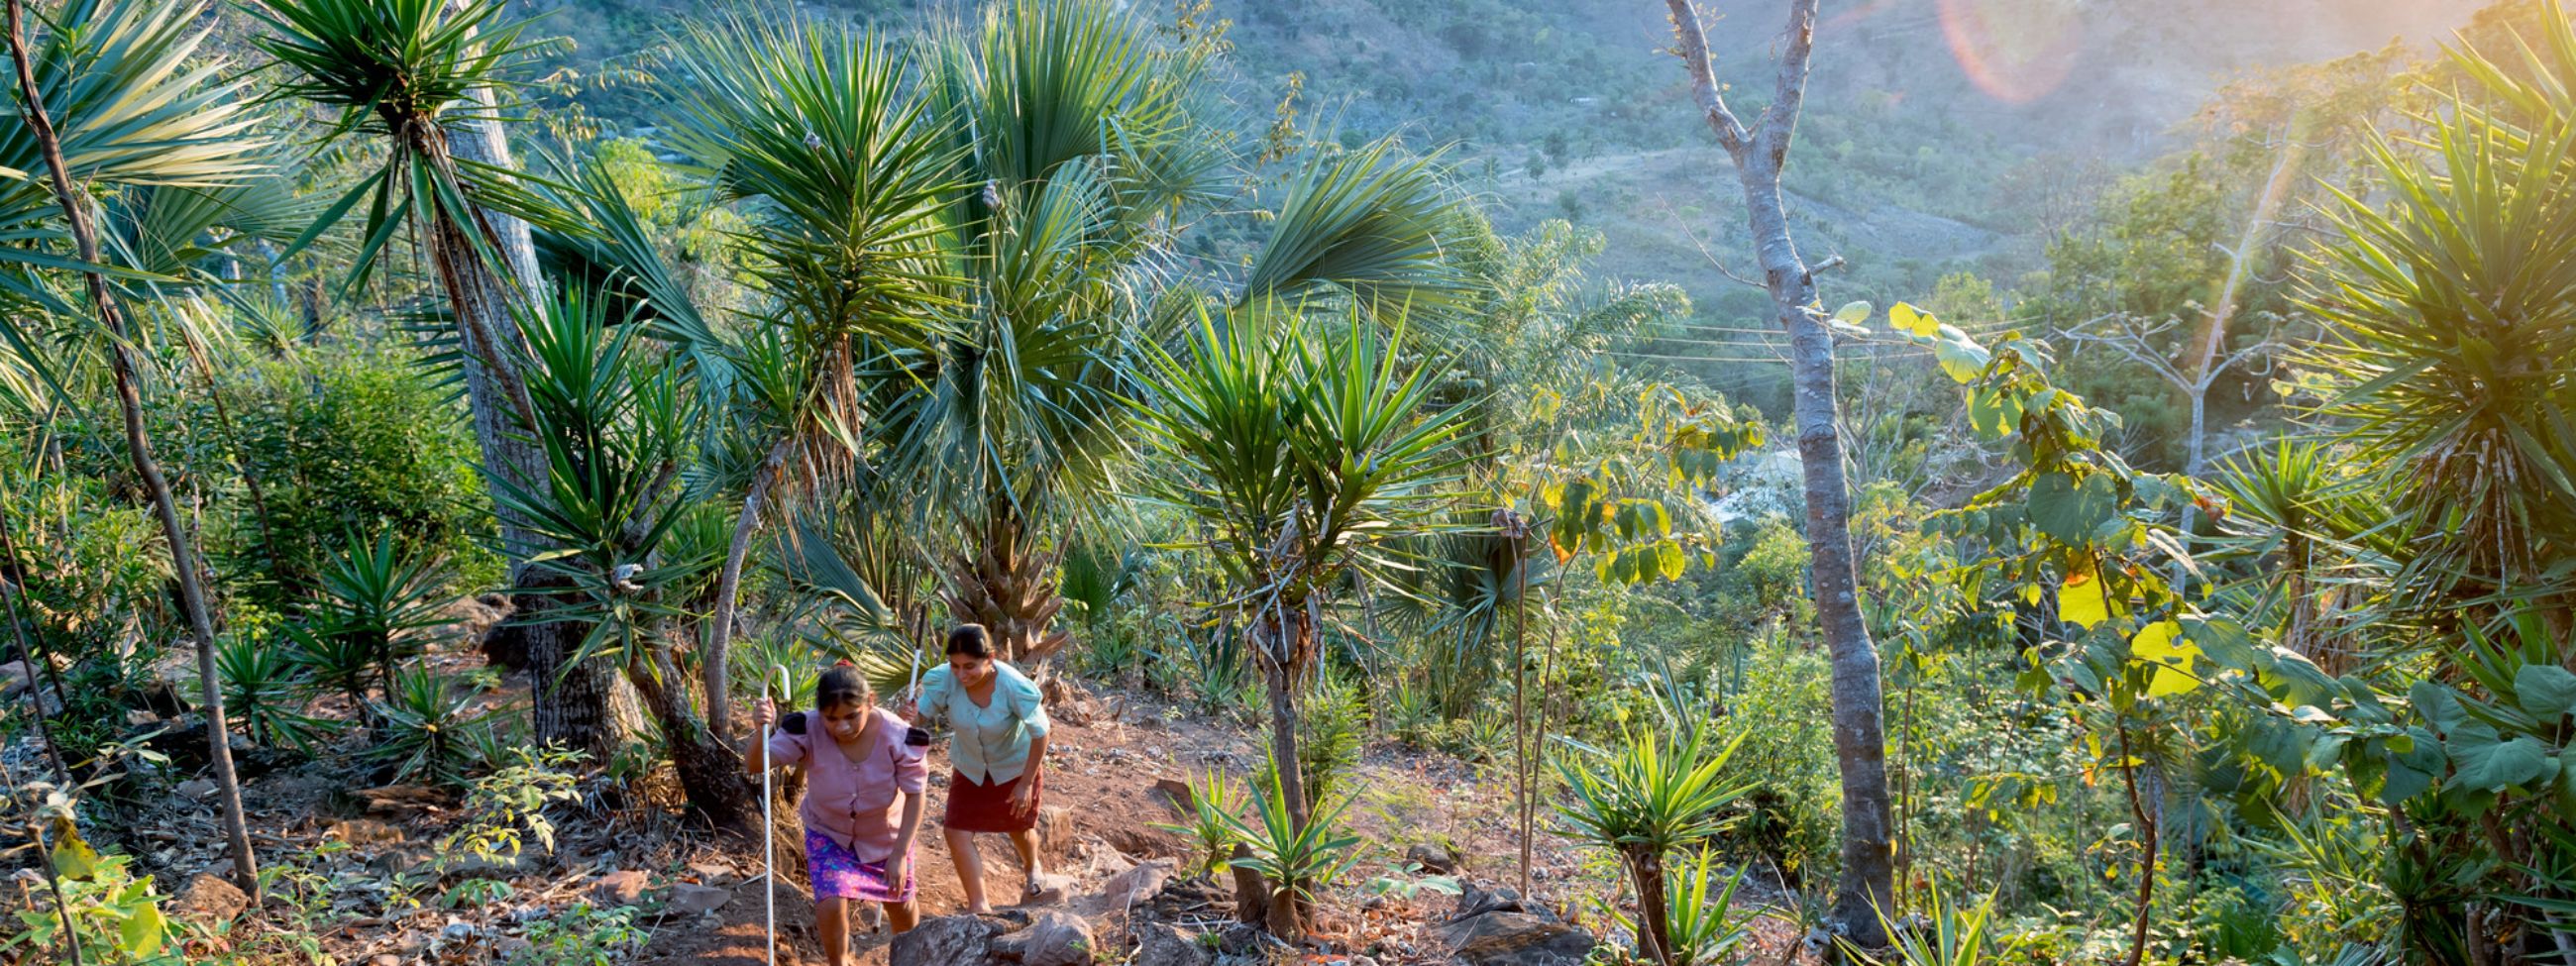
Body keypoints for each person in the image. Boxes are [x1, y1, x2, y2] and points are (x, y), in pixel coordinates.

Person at [746, 664, 925, 964]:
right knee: (830, 901)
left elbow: (916, 795)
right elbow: (756, 765)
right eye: (832, 719)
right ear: (820, 713)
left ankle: (913, 959)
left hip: (887, 837)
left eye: (851, 716)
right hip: (828, 833)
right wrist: (759, 729)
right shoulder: (807, 727)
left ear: (870, 701)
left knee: (902, 907)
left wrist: (899, 853)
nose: (841, 726)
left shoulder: (898, 735)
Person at [903, 623, 1052, 912]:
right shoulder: (944, 680)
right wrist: (911, 716)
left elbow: (1040, 733)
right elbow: (921, 715)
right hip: (970, 765)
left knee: (1018, 827)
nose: (961, 675)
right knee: (955, 829)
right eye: (955, 665)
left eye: (969, 667)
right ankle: (979, 905)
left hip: (1014, 766)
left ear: (991, 658)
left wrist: (1025, 783)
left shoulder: (1013, 685)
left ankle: (1032, 866)